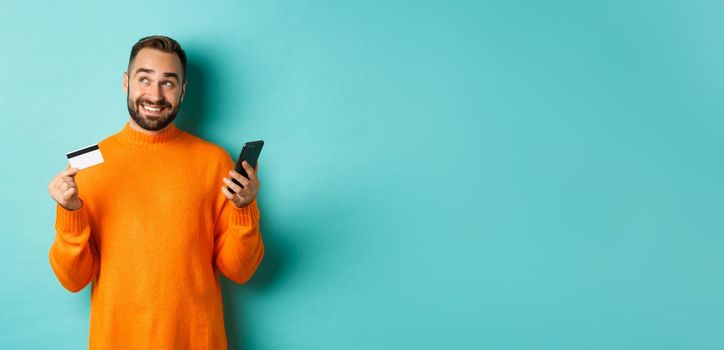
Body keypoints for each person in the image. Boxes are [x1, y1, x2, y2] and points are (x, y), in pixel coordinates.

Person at [47, 35, 264, 349]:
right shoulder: (88, 163)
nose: (155, 94)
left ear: (183, 91)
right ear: (126, 82)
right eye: (144, 79)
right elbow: (73, 280)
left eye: (168, 83)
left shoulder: (214, 161)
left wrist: (245, 208)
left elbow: (240, 271)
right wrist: (69, 213)